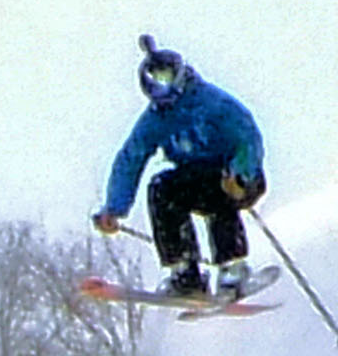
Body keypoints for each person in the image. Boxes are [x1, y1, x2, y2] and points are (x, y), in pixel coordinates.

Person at [93, 36, 268, 300]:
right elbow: (131, 158)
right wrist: (114, 208)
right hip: (193, 179)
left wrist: (241, 174)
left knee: (220, 190)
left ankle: (233, 266)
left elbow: (248, 138)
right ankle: (184, 272)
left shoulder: (212, 103)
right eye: (154, 85)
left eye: (164, 80)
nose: (161, 91)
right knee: (161, 188)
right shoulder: (156, 119)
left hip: (235, 177)